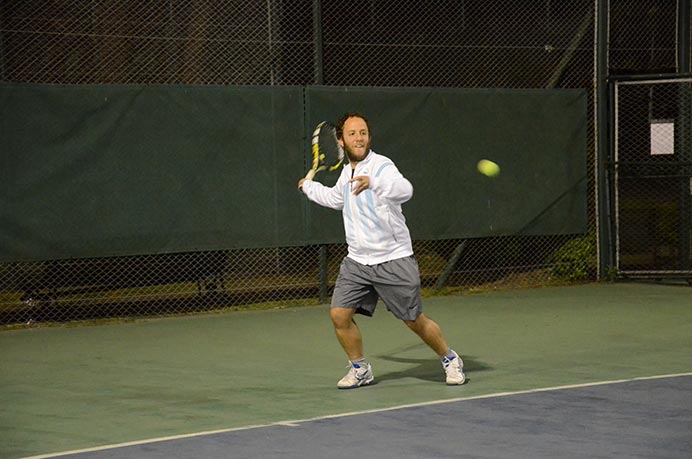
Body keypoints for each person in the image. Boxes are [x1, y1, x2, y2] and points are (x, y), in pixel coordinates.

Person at [298, 112, 465, 389]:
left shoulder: (382, 166)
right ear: (341, 141)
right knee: (339, 315)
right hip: (358, 261)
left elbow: (405, 190)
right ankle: (360, 369)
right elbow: (336, 199)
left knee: (413, 320)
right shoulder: (346, 172)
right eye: (352, 133)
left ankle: (449, 358)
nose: (359, 138)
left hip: (392, 258)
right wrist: (310, 188)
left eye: (363, 132)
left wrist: (374, 183)